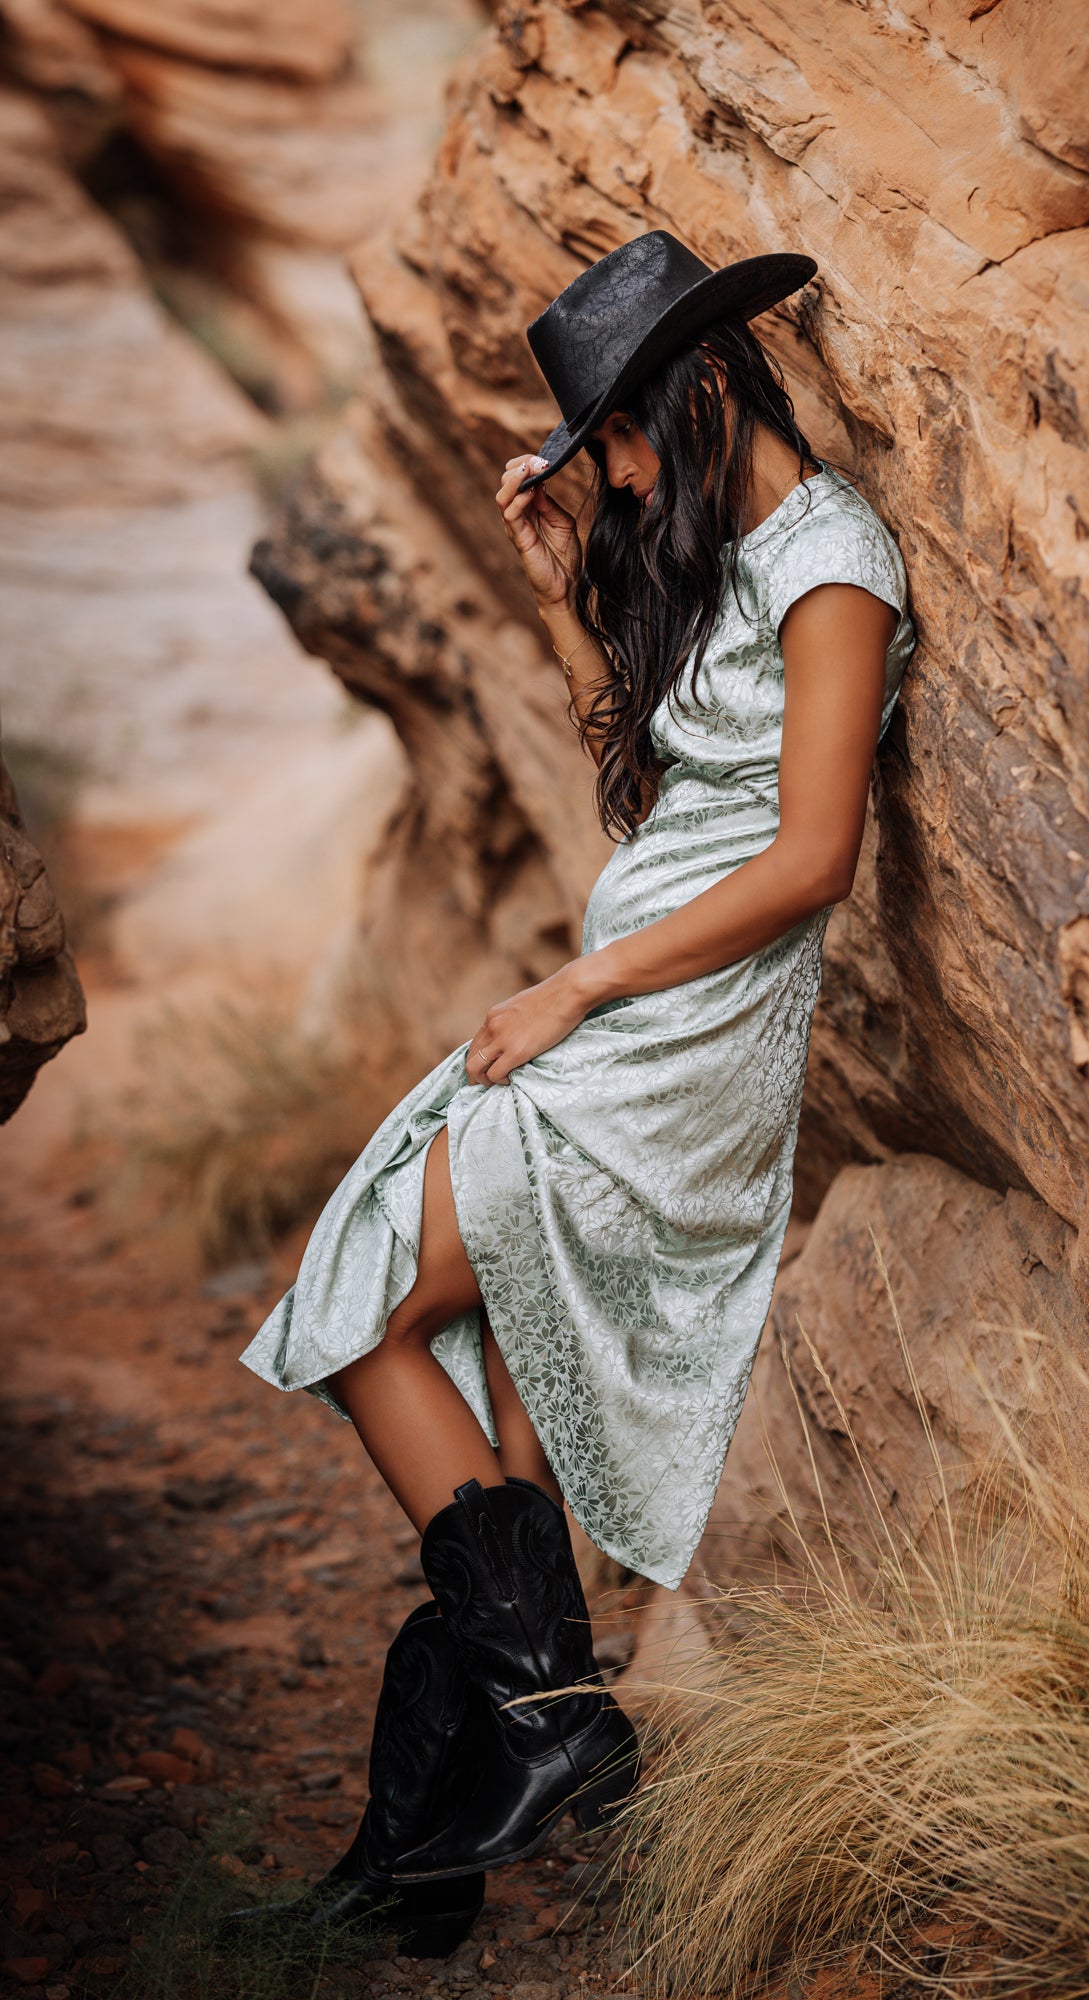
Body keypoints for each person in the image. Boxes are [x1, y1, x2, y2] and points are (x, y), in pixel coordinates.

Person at [236, 229, 915, 1946]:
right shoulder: (734, 552)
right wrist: (566, 612)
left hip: (676, 1042)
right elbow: (666, 803)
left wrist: (574, 984)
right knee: (479, 1367)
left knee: (367, 1293)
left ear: (690, 391)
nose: (607, 472)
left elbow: (810, 856)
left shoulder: (833, 563)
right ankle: (435, 1851)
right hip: (620, 1015)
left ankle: (546, 1725)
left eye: (613, 436)